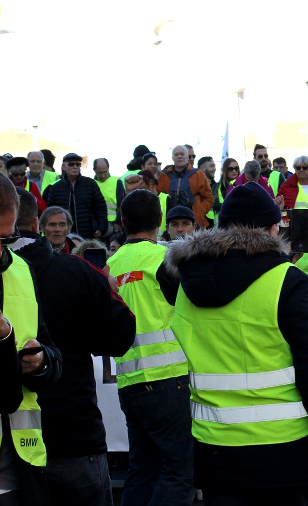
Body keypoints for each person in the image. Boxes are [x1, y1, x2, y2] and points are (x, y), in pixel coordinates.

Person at [169, 182, 308, 504]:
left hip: (217, 453)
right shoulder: (286, 279)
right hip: (286, 455)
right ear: (274, 229)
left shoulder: (184, 283)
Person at [12, 187, 136, 506]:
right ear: (34, 223)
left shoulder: (65, 270)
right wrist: (105, 288)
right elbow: (121, 335)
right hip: (71, 436)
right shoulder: (78, 272)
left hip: (15, 446)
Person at [107, 190, 194, 505]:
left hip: (130, 384)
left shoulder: (111, 264)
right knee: (179, 473)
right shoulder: (165, 258)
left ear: (123, 221)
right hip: (168, 381)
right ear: (160, 220)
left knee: (142, 470)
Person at [0, 174, 63, 505]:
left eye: (6, 240)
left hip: (22, 464)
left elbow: (53, 354)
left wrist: (40, 361)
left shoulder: (21, 270)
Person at [42, 153, 109, 239]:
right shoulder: (55, 188)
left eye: (78, 164)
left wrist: (101, 228)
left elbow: (100, 207)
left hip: (88, 234)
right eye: (71, 164)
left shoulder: (90, 184)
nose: (75, 167)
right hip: (64, 236)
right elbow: (50, 212)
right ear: (64, 167)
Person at [156, 145, 214, 229]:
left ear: (187, 157)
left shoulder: (198, 174)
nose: (179, 157)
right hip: (171, 223)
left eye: (182, 154)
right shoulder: (164, 176)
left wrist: (199, 211)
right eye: (176, 155)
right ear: (172, 158)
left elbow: (208, 198)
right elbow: (159, 198)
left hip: (195, 223)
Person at [92, 158, 125, 232]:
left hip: (113, 224)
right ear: (94, 170)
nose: (103, 176)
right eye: (100, 173)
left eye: (105, 172)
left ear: (108, 168)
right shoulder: (91, 184)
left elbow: (122, 204)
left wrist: (118, 222)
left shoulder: (116, 182)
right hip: (96, 224)